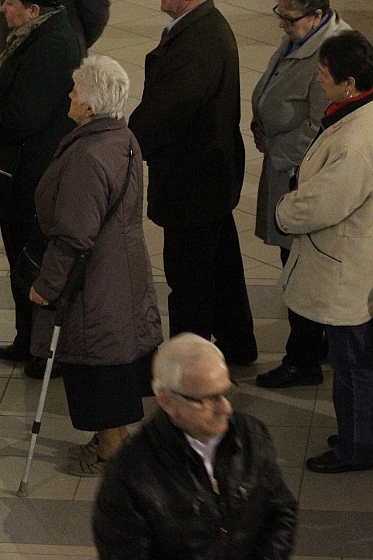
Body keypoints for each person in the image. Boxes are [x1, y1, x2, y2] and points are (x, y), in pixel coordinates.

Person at [27, 56, 162, 476]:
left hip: (95, 278)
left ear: (88, 107)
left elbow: (73, 234)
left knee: (97, 364)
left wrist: (46, 287)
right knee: (115, 357)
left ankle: (111, 450)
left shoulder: (88, 155)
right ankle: (114, 439)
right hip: (123, 268)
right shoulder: (122, 137)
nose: (69, 94)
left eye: (75, 90)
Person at [127, 0, 257, 365]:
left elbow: (169, 112)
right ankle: (238, 344)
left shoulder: (198, 42)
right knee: (221, 268)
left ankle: (187, 367)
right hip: (211, 175)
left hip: (193, 181)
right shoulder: (202, 26)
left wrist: (128, 144)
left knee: (190, 280)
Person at [0, 0, 80, 378]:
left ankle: (40, 347)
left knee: (32, 261)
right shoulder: (34, 35)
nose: (3, 10)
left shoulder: (51, 46)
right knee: (19, 258)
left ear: (34, 9)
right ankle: (25, 338)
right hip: (20, 172)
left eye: (10, 2)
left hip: (32, 174)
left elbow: (22, 117)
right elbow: (3, 85)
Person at [93, 333, 298, 559]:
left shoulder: (251, 435)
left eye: (226, 392)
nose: (225, 408)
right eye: (208, 399)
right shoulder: (130, 473)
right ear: (167, 401)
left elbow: (280, 512)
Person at [277, 30, 373, 474]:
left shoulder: (358, 140)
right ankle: (361, 432)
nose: (319, 79)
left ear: (349, 83)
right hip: (354, 260)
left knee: (350, 362)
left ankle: (357, 446)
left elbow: (325, 203)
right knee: (354, 358)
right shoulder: (357, 112)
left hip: (348, 267)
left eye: (324, 73)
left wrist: (285, 211)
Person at [252, 0, 349, 389]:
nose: (281, 25)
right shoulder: (305, 37)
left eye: (288, 18)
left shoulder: (331, 54)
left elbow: (320, 126)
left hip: (300, 176)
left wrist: (276, 147)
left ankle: (303, 357)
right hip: (283, 166)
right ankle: (314, 343)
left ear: (317, 15)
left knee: (298, 267)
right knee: (290, 260)